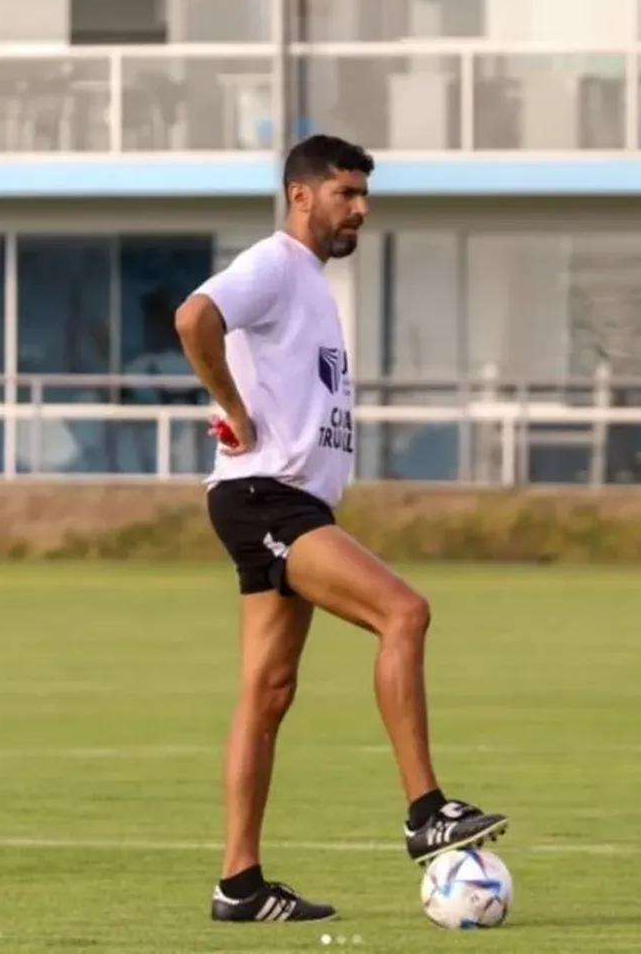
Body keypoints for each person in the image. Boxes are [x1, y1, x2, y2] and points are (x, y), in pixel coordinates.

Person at [175, 134, 507, 925]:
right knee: (404, 611)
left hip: (290, 502)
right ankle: (425, 810)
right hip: (267, 497)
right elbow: (195, 317)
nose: (359, 208)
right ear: (301, 195)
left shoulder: (313, 286)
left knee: (268, 691)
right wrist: (233, 408)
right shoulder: (275, 263)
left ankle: (239, 885)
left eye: (363, 195)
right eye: (344, 193)